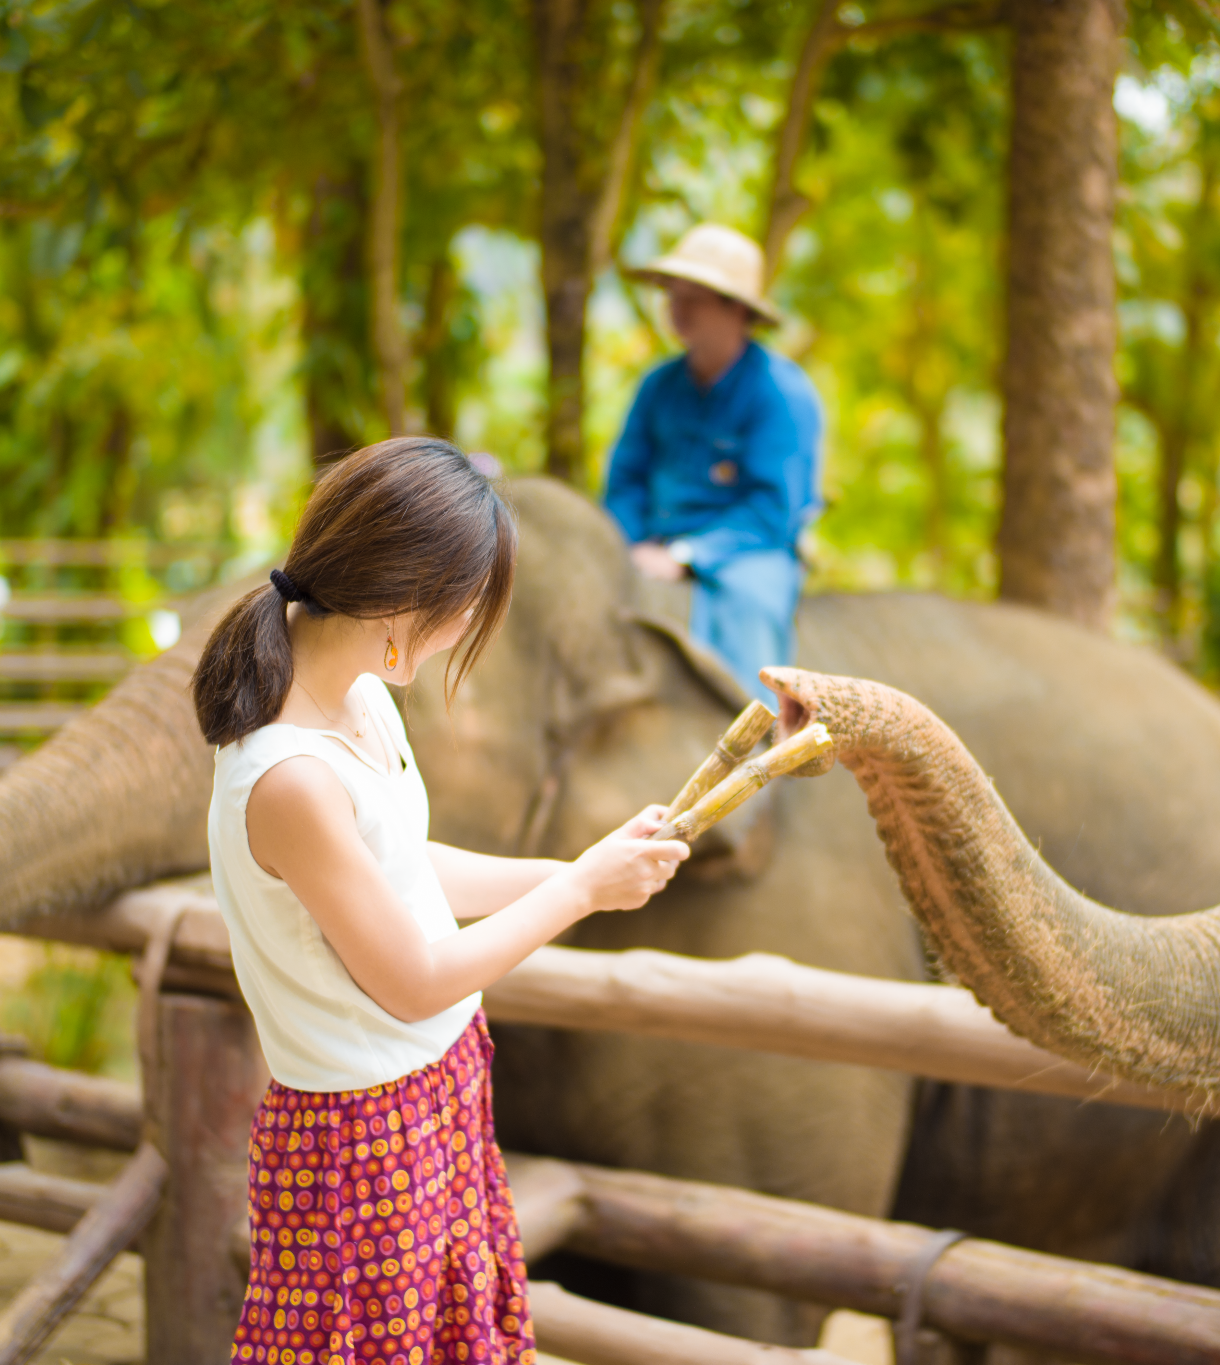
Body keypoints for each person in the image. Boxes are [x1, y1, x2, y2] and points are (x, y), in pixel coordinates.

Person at [191, 438, 690, 1365]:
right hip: (359, 1140)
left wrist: (580, 867)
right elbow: (414, 980)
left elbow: (407, 867)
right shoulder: (288, 775)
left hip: (438, 1086)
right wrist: (579, 892)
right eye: (467, 605)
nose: (468, 627)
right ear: (400, 598)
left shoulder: (363, 696)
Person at [605, 224, 823, 705]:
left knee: (750, 618)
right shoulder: (658, 387)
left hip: (745, 555)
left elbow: (771, 509)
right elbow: (625, 479)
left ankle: (759, 761)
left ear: (738, 309)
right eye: (672, 294)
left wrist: (686, 557)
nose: (677, 309)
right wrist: (631, 542)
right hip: (648, 546)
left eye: (695, 296)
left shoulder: (781, 395)